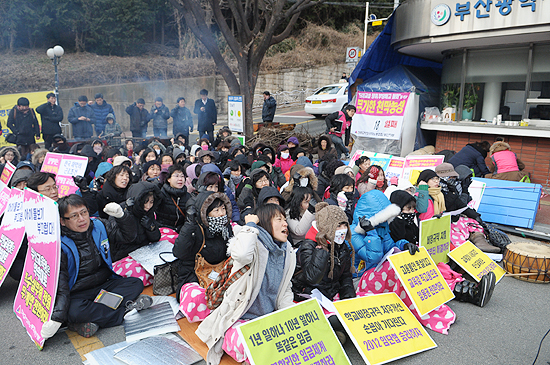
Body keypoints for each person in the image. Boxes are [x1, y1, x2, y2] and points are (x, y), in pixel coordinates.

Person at [191, 204, 295, 364]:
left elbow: (285, 289)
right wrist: (251, 226)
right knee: (254, 347)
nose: (285, 224)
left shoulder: (286, 251)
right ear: (266, 222)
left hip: (268, 318)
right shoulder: (251, 245)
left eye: (285, 219)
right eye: (279, 219)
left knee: (291, 342)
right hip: (240, 317)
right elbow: (242, 254)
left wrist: (291, 318)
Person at [40, 194, 149, 341]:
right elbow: (61, 285)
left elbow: (128, 237)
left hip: (104, 285)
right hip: (77, 292)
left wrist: (122, 217)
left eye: (84, 212)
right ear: (63, 221)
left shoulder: (98, 225)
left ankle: (91, 321)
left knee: (135, 283)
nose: (82, 219)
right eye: (74, 216)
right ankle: (125, 312)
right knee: (74, 311)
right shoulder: (59, 244)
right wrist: (57, 318)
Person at [173, 191, 233, 292]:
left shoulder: (226, 228)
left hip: (219, 271)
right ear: (205, 212)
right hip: (194, 273)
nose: (221, 213)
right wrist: (189, 225)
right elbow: (178, 252)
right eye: (216, 210)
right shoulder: (195, 228)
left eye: (223, 209)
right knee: (198, 296)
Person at [351, 190, 416, 275]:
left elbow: (390, 248)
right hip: (360, 278)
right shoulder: (353, 234)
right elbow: (373, 257)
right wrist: (371, 232)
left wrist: (404, 245)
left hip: (378, 274)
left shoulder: (381, 228)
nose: (385, 220)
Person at [112, 181, 161, 261]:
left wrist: (151, 227)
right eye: (145, 202)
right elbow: (118, 238)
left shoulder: (148, 212)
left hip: (143, 251)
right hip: (124, 254)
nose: (148, 206)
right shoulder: (119, 210)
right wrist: (127, 215)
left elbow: (156, 238)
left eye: (151, 202)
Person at [156, 165, 190, 231]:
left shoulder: (188, 196)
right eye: (176, 176)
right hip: (163, 231)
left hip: (181, 232)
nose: (180, 179)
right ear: (169, 179)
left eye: (182, 176)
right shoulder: (161, 194)